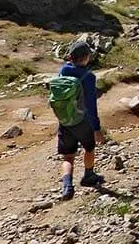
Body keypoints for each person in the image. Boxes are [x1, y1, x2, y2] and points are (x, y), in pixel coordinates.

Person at [49, 40, 105, 199]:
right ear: (86, 57)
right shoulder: (89, 77)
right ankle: (88, 176)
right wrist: (96, 128)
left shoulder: (63, 71)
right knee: (89, 148)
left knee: (68, 156)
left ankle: (67, 187)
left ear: (71, 57)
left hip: (66, 120)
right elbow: (91, 104)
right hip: (83, 121)